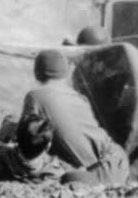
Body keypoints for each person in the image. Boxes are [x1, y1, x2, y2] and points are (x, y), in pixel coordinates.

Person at [20, 49, 130, 185]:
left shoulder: (35, 97)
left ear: (37, 73)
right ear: (65, 73)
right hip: (118, 163)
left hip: (89, 174)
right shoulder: (81, 98)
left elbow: (28, 143)